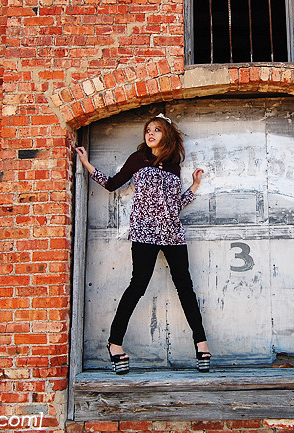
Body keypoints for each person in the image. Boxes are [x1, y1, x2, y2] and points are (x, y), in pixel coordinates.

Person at [74, 113, 211, 374]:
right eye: (148, 130)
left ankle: (201, 344)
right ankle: (115, 344)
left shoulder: (173, 164)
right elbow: (113, 184)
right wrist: (87, 164)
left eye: (157, 130)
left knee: (185, 287)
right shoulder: (138, 160)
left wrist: (193, 187)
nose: (150, 134)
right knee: (137, 286)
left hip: (172, 233)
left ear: (166, 135)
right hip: (145, 233)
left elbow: (174, 206)